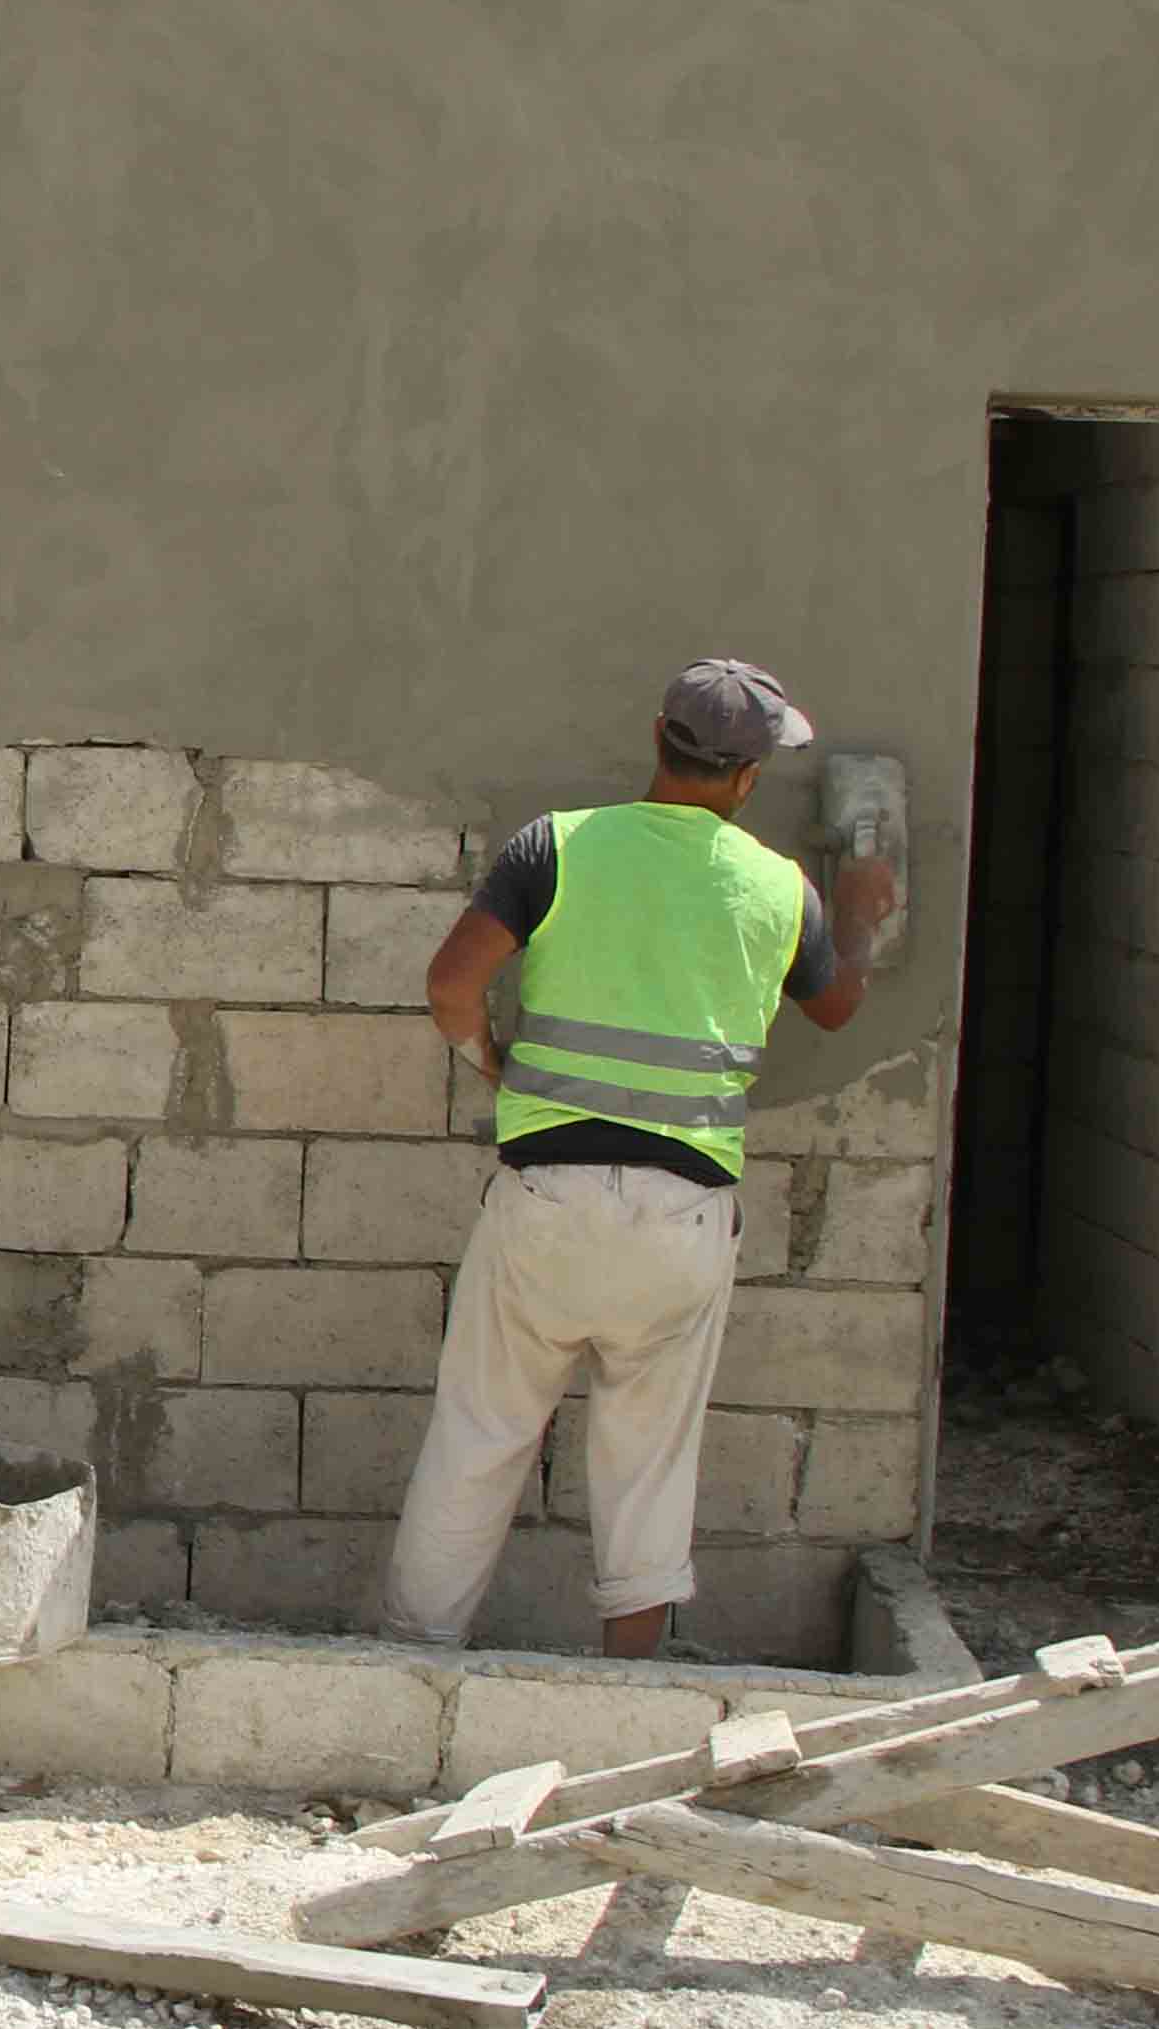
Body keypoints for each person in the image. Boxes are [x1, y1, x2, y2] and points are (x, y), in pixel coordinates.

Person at [378, 659, 898, 1659]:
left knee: (480, 1436)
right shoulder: (779, 887)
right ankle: (629, 1686)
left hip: (547, 1201)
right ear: (749, 777)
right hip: (681, 1218)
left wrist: (491, 1060)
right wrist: (863, 915)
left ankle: (412, 1662)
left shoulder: (557, 846)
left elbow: (450, 987)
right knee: (650, 1463)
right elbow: (837, 1005)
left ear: (658, 737)